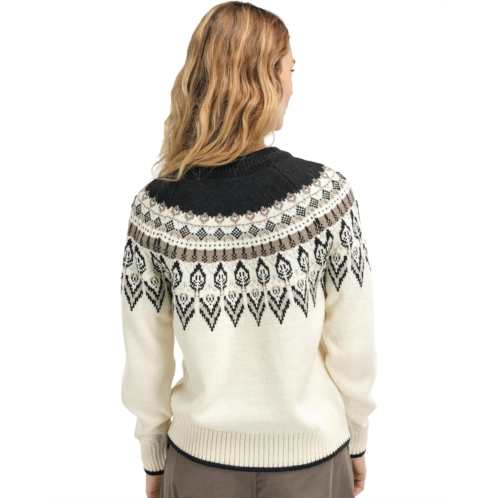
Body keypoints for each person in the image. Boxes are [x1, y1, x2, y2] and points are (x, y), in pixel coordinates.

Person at [120, 2, 377, 497]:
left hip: (198, 464)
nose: (293, 86)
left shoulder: (155, 210)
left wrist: (153, 456)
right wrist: (358, 438)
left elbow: (145, 356)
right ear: (263, 78)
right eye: (289, 69)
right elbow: (353, 345)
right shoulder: (326, 198)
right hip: (313, 461)